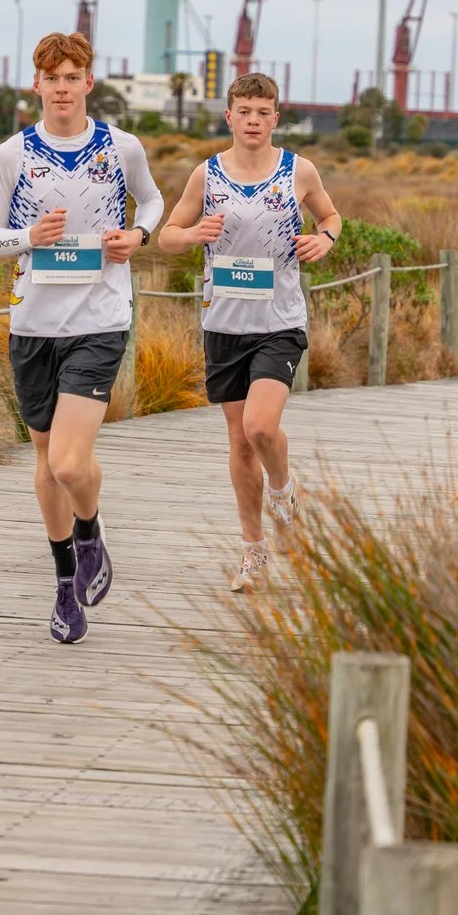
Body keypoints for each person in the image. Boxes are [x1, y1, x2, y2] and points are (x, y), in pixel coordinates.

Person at [0, 32, 166, 644]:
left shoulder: (120, 147)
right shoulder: (12, 154)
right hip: (31, 323)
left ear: (89, 82)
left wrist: (137, 237)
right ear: (37, 85)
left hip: (99, 319)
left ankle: (90, 531)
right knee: (44, 458)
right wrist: (28, 237)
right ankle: (67, 581)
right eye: (50, 77)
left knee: (66, 461)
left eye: (72, 76)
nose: (61, 87)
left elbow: (153, 201)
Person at [155, 73, 343, 592]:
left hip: (279, 321)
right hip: (224, 323)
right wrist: (192, 234)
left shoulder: (298, 170)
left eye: (264, 112)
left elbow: (330, 215)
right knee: (240, 445)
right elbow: (168, 236)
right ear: (230, 117)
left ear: (275, 119)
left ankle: (283, 491)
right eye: (245, 111)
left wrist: (324, 239)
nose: (254, 120)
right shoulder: (207, 174)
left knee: (262, 428)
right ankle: (253, 550)